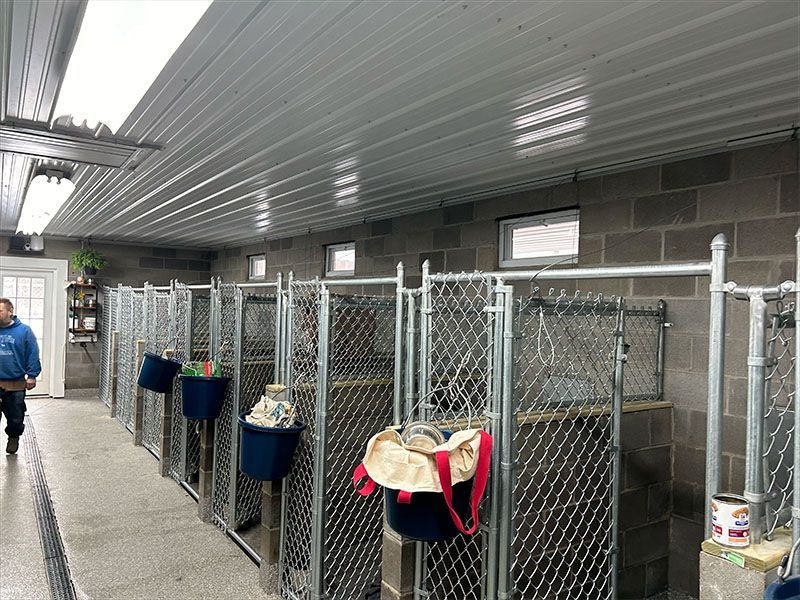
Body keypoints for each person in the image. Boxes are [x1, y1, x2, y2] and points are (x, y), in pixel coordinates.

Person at [0, 297, 41, 454]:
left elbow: (32, 353)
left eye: (0, 311)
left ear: (10, 312)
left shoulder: (24, 331)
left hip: (15, 383)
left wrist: (32, 375)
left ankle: (13, 437)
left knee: (16, 419)